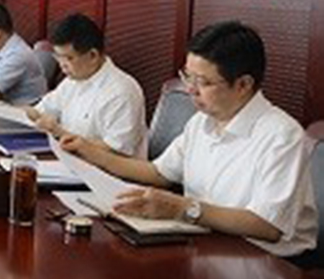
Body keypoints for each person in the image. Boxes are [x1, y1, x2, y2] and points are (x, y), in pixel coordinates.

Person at [61, 21, 317, 260]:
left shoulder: (281, 135)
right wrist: (89, 152)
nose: (190, 90)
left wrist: (184, 208)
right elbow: (159, 173)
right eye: (188, 77)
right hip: (207, 246)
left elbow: (267, 226)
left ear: (243, 84)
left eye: (203, 82)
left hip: (266, 263)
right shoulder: (201, 122)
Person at [29, 13, 147, 158]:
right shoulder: (73, 80)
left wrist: (60, 133)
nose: (62, 65)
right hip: (70, 160)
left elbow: (117, 151)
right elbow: (40, 111)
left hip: (103, 169)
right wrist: (14, 113)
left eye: (68, 58)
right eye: (58, 57)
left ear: (92, 55)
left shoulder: (122, 91)